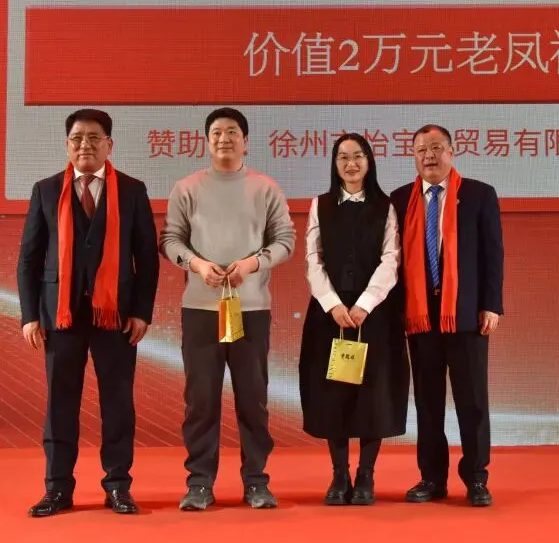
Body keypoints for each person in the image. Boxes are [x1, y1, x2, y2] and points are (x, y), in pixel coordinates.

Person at [16, 109, 160, 517]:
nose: (85, 145)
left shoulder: (132, 190)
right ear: (67, 145)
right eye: (77, 138)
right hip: (59, 317)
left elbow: (147, 259)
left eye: (94, 137)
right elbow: (29, 259)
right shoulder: (46, 190)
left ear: (109, 145)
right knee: (60, 404)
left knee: (118, 402)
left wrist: (142, 312)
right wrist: (29, 315)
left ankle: (118, 486)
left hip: (116, 317)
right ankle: (57, 489)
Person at [159, 107, 296, 511]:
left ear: (246, 142)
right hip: (200, 309)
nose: (224, 139)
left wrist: (252, 264)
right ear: (206, 141)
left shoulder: (265, 188)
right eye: (217, 132)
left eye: (232, 132)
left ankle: (256, 481)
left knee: (253, 398)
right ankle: (199, 482)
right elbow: (170, 240)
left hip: (250, 309)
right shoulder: (187, 188)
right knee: (200, 399)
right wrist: (197, 265)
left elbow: (285, 240)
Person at [390, 124, 504, 508]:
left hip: (467, 315)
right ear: (414, 156)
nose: (429, 156)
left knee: (473, 402)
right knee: (428, 402)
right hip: (420, 317)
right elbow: (393, 262)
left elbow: (493, 254)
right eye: (421, 149)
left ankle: (476, 478)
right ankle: (432, 478)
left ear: (452, 152)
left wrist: (491, 304)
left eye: (436, 147)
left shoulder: (478, 195)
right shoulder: (400, 200)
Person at [299, 133, 409, 506]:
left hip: (374, 315)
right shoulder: (320, 205)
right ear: (334, 164)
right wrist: (332, 304)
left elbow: (391, 258)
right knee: (334, 394)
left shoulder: (385, 206)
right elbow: (313, 259)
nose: (351, 163)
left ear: (369, 162)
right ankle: (339, 475)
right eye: (343, 157)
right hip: (330, 315)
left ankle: (365, 476)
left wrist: (365, 303)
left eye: (358, 156)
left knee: (372, 395)